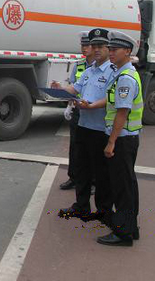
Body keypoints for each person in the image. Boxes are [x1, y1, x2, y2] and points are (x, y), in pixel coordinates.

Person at [53, 28, 116, 219]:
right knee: (81, 170)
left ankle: (104, 212)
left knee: (101, 173)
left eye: (100, 46)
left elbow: (111, 98)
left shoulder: (113, 71)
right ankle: (81, 206)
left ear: (108, 48)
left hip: (100, 129)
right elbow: (75, 88)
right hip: (83, 125)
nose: (96, 50)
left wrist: (93, 105)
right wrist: (61, 89)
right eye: (93, 46)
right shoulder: (88, 71)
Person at [90, 31, 142, 247]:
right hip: (126, 138)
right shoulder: (122, 73)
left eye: (115, 49)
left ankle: (123, 234)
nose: (110, 53)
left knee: (122, 188)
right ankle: (131, 228)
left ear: (127, 52)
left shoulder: (126, 78)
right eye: (109, 49)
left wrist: (111, 142)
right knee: (128, 184)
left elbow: (122, 112)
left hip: (122, 139)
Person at [59, 31, 94, 190]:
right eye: (82, 45)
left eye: (87, 45)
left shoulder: (101, 66)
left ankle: (93, 181)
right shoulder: (79, 65)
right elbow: (73, 87)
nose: (84, 48)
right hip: (78, 110)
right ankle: (73, 177)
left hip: (93, 111)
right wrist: (68, 103)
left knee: (91, 149)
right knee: (75, 147)